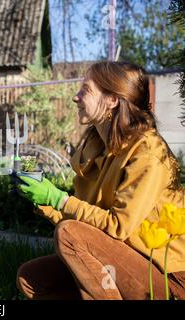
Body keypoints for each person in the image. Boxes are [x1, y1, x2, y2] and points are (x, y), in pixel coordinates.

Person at [15, 61, 185, 300]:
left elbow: (117, 226)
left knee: (69, 233)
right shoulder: (100, 153)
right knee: (33, 277)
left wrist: (59, 199)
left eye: (85, 89)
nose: (76, 97)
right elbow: (87, 222)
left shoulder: (147, 152)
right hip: (127, 257)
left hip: (169, 276)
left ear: (112, 99)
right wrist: (43, 200)